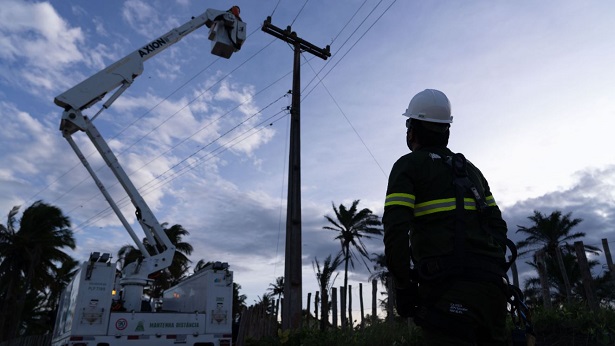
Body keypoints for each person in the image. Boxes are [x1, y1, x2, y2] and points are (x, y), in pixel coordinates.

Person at [383, 89, 510, 345]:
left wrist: (404, 288)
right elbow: (498, 226)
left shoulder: (408, 165)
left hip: (446, 294)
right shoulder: (472, 171)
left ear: (413, 130)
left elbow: (395, 231)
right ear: (447, 131)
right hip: (493, 291)